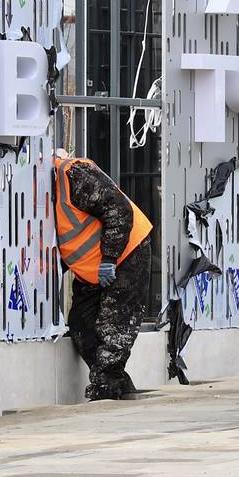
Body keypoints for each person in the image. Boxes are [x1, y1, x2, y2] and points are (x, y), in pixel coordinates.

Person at [53, 149, 153, 401]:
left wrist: (109, 258)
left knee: (113, 324)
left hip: (126, 253)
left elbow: (119, 210)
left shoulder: (73, 174)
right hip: (91, 270)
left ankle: (106, 388)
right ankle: (117, 383)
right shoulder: (44, 195)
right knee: (80, 324)